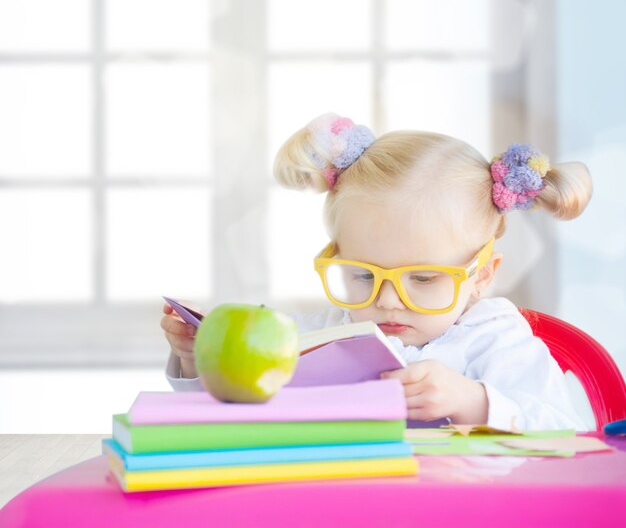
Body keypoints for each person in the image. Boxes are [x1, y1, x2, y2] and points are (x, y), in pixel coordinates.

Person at [162, 113, 593, 429]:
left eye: (423, 278)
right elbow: (230, 416)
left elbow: (566, 434)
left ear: (480, 276)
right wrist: (195, 358)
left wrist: (474, 401)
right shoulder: (319, 335)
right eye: (364, 275)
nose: (386, 299)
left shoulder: (497, 339)